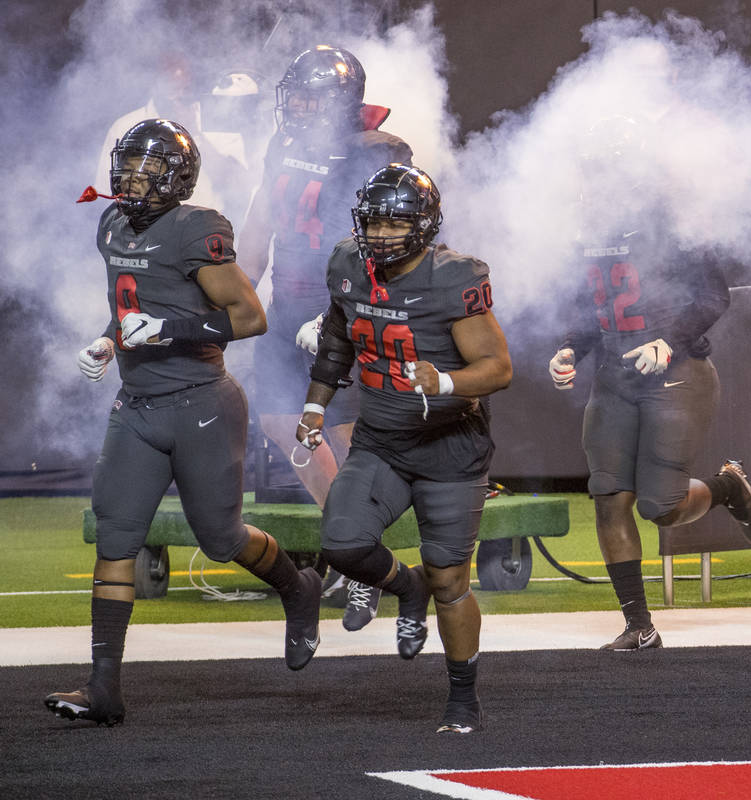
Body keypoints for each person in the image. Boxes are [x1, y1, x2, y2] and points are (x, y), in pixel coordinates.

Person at [46, 119, 322, 726]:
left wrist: (166, 330)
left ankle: (297, 588)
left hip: (202, 402)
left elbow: (250, 318)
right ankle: (103, 690)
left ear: (178, 178)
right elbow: (132, 307)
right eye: (129, 166)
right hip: (138, 407)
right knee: (115, 540)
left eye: (150, 169)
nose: (133, 179)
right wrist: (108, 340)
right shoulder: (112, 223)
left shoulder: (197, 229)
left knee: (220, 540)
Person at [295, 164, 510, 734]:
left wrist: (446, 383)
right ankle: (404, 587)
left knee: (451, 580)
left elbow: (498, 368)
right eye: (375, 221)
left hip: (450, 448)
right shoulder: (347, 264)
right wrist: (316, 403)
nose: (384, 234)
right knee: (342, 541)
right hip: (381, 442)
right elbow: (339, 336)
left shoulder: (452, 278)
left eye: (397, 222)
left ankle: (463, 698)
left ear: (426, 223)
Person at [548, 118, 751, 651]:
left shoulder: (672, 223)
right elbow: (591, 308)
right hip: (614, 378)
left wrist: (667, 341)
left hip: (678, 372)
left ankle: (725, 487)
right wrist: (573, 347)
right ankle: (639, 625)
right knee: (606, 496)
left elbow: (715, 297)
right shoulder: (586, 230)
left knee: (659, 506)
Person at [239, 45, 414, 630]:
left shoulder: (376, 153)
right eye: (297, 97)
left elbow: (385, 243)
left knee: (342, 433)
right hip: (288, 306)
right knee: (278, 423)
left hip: (341, 308)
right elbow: (264, 215)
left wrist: (347, 308)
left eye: (311, 99)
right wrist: (238, 285)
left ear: (340, 104)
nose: (298, 109)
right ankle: (355, 550)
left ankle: (363, 561)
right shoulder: (285, 145)